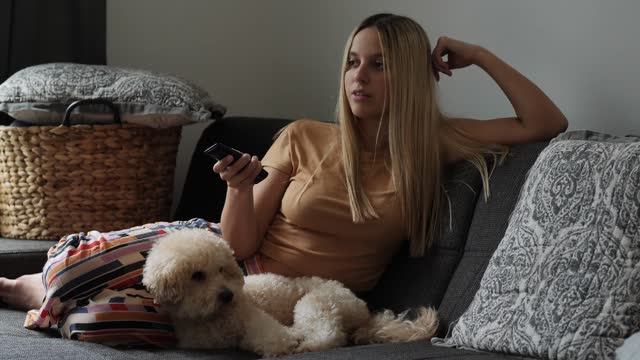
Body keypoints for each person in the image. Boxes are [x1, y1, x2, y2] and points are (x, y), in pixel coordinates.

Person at [0, 13, 567, 346]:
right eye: (352, 61)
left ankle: (40, 293)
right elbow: (239, 244)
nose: (358, 76)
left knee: (102, 320)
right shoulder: (304, 136)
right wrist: (239, 187)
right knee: (80, 263)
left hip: (275, 301)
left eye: (378, 63)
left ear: (413, 77)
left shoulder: (433, 144)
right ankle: (31, 284)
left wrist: (480, 54)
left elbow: (545, 123)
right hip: (214, 253)